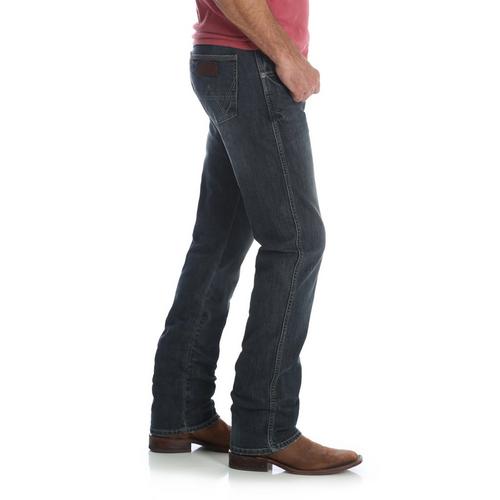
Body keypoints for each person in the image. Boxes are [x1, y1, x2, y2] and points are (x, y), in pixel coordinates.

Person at [149, 0, 362, 475]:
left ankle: (179, 411)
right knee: (297, 241)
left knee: (219, 242)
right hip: (252, 64)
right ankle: (265, 426)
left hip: (230, 62)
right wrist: (286, 56)